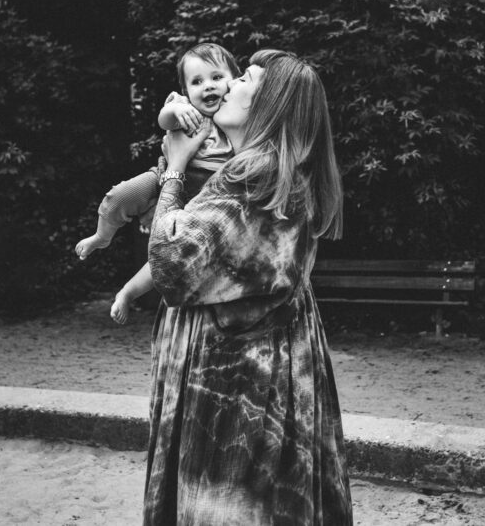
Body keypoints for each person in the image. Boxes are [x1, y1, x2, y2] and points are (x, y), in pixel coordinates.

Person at [144, 50, 353, 524]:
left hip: (234, 389)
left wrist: (174, 169)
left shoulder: (250, 179)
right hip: (265, 376)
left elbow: (170, 266)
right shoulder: (276, 177)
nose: (231, 84)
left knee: (231, 506)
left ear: (268, 107)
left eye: (245, 79)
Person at [73, 43, 239, 323]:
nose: (208, 87)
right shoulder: (186, 108)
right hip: (166, 176)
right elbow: (164, 119)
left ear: (234, 80)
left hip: (202, 196)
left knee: (166, 256)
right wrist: (175, 112)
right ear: (186, 91)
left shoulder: (237, 113)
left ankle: (126, 292)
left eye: (216, 77)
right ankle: (102, 235)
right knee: (120, 196)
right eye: (197, 82)